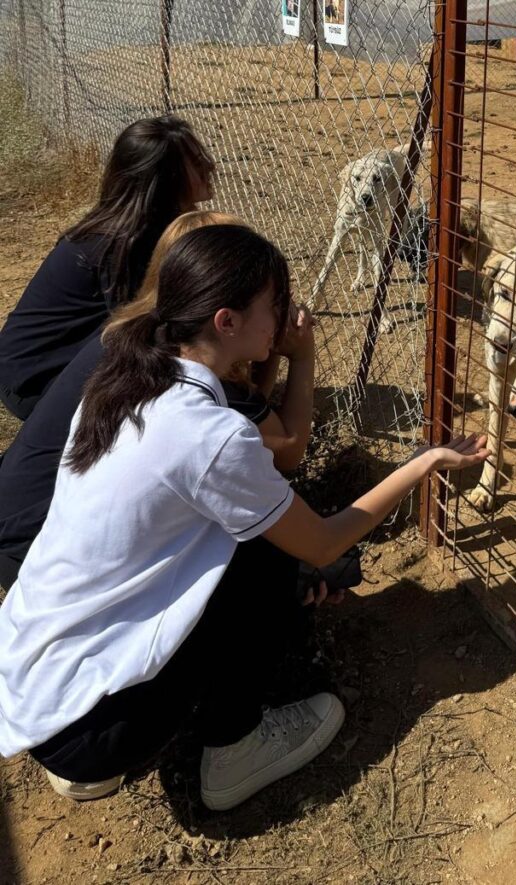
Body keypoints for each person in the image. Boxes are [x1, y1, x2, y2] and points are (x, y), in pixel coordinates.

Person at [0, 224, 487, 811]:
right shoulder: (211, 435)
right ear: (226, 322)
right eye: (274, 305)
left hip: (29, 680)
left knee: (255, 528)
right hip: (93, 731)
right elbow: (324, 543)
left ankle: (90, 742)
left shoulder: (121, 378)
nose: (285, 317)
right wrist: (424, 462)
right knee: (266, 553)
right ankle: (235, 750)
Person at [0, 211, 316, 591]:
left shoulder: (138, 332)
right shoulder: (183, 362)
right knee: (267, 557)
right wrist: (300, 356)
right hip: (35, 543)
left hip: (24, 515)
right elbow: (287, 451)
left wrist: (266, 355)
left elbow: (247, 420)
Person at [0, 115, 214, 420]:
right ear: (164, 178)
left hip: (39, 369)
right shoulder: (125, 243)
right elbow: (143, 338)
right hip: (35, 384)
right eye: (194, 160)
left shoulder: (144, 226)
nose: (208, 165)